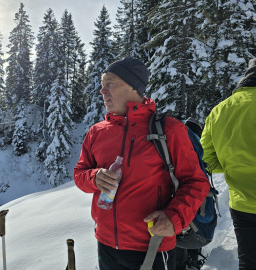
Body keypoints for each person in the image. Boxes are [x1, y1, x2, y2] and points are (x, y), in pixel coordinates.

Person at [74, 57, 211, 270]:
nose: (103, 91)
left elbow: (196, 182)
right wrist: (94, 178)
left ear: (134, 87)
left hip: (153, 246)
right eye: (102, 85)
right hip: (106, 244)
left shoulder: (169, 130)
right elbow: (80, 174)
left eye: (111, 83)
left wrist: (174, 217)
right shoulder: (97, 132)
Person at [200, 52, 256, 270]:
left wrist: (236, 164)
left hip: (244, 204)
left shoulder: (219, 110)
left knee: (251, 264)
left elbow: (207, 160)